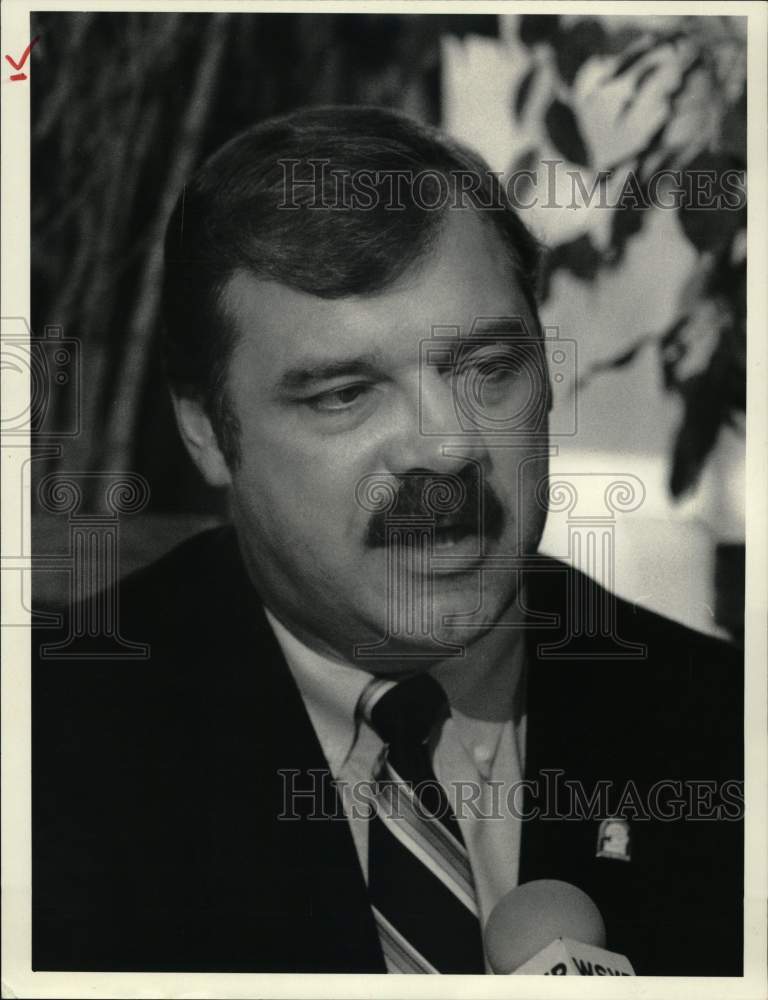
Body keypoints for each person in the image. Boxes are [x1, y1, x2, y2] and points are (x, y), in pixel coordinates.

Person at [32, 106, 743, 976]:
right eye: (343, 394)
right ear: (208, 432)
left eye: (488, 369)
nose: (446, 448)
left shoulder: (729, 735)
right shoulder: (43, 753)